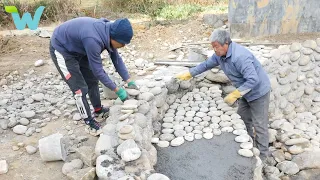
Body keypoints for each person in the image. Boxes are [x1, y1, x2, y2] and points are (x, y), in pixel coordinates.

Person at [176, 29, 271, 161]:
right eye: (212, 47)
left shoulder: (240, 57)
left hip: (258, 92)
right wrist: (190, 73)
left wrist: (235, 94)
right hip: (244, 92)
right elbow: (206, 65)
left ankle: (263, 156)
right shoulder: (219, 56)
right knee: (243, 120)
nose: (214, 50)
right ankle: (249, 146)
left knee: (260, 125)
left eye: (216, 46)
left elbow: (253, 80)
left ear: (226, 43)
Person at [49, 17, 138, 132]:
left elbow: (116, 59)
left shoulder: (109, 31)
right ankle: (89, 122)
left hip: (80, 47)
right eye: (122, 43)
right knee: (79, 90)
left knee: (92, 80)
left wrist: (128, 80)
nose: (123, 46)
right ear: (114, 37)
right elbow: (99, 71)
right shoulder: (93, 40)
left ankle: (98, 110)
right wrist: (117, 90)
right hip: (62, 48)